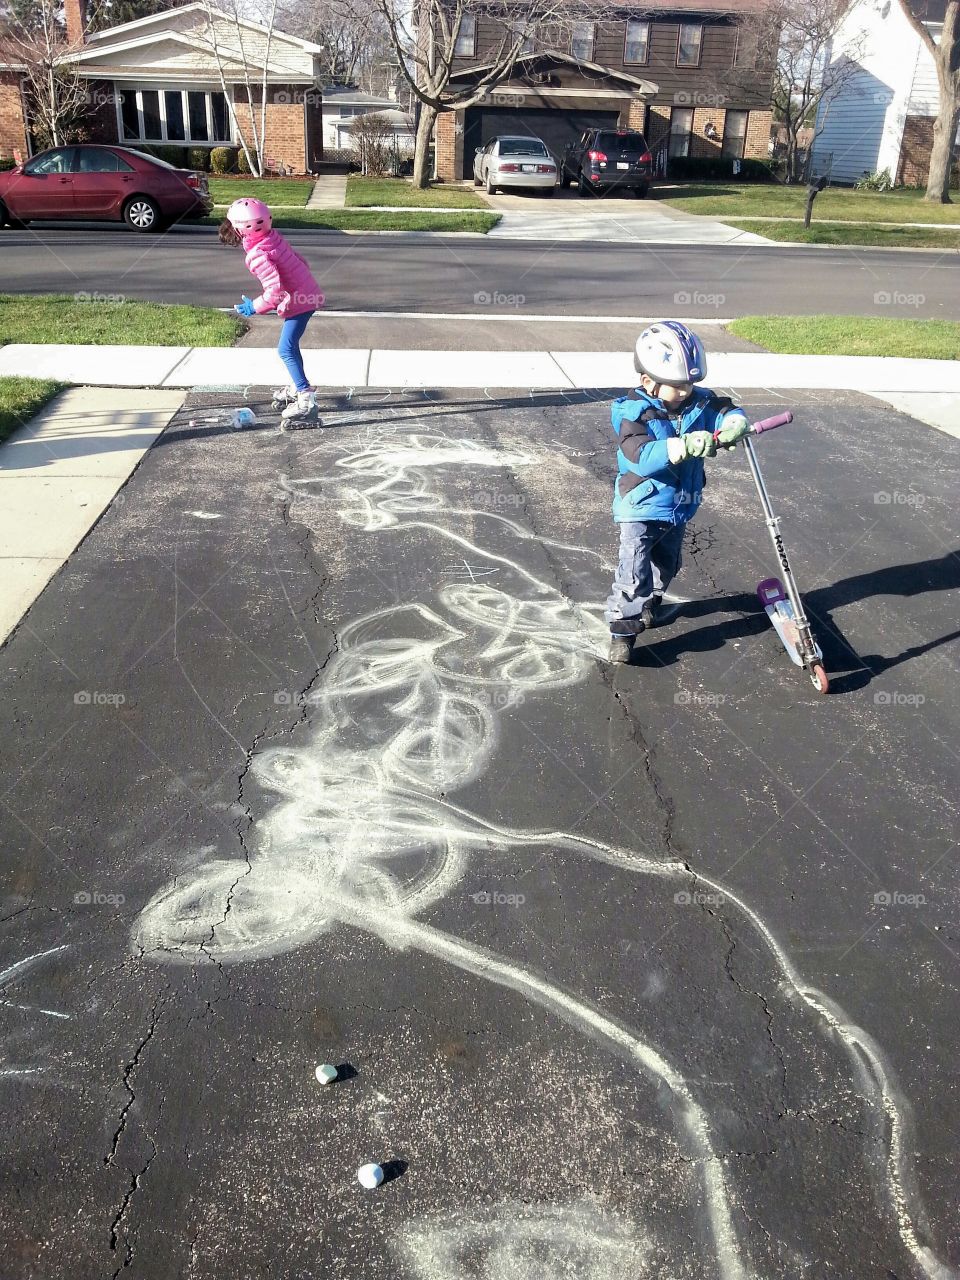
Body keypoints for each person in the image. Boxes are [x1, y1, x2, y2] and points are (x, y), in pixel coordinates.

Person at [605, 321, 751, 664]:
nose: (685, 391)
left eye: (689, 384)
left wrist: (734, 422)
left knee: (667, 564)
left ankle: (650, 606)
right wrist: (681, 445)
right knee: (633, 570)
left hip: (678, 506)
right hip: (640, 505)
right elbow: (640, 456)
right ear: (648, 382)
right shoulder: (633, 414)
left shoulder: (699, 403)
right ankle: (622, 631)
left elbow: (725, 410)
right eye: (677, 386)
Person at [219, 198, 324, 425]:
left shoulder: (257, 254)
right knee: (290, 346)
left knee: (285, 349)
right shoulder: (271, 238)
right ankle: (298, 386)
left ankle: (306, 400)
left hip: (300, 301)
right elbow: (301, 261)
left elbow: (274, 291)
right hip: (306, 294)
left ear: (240, 228)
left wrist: (253, 307)